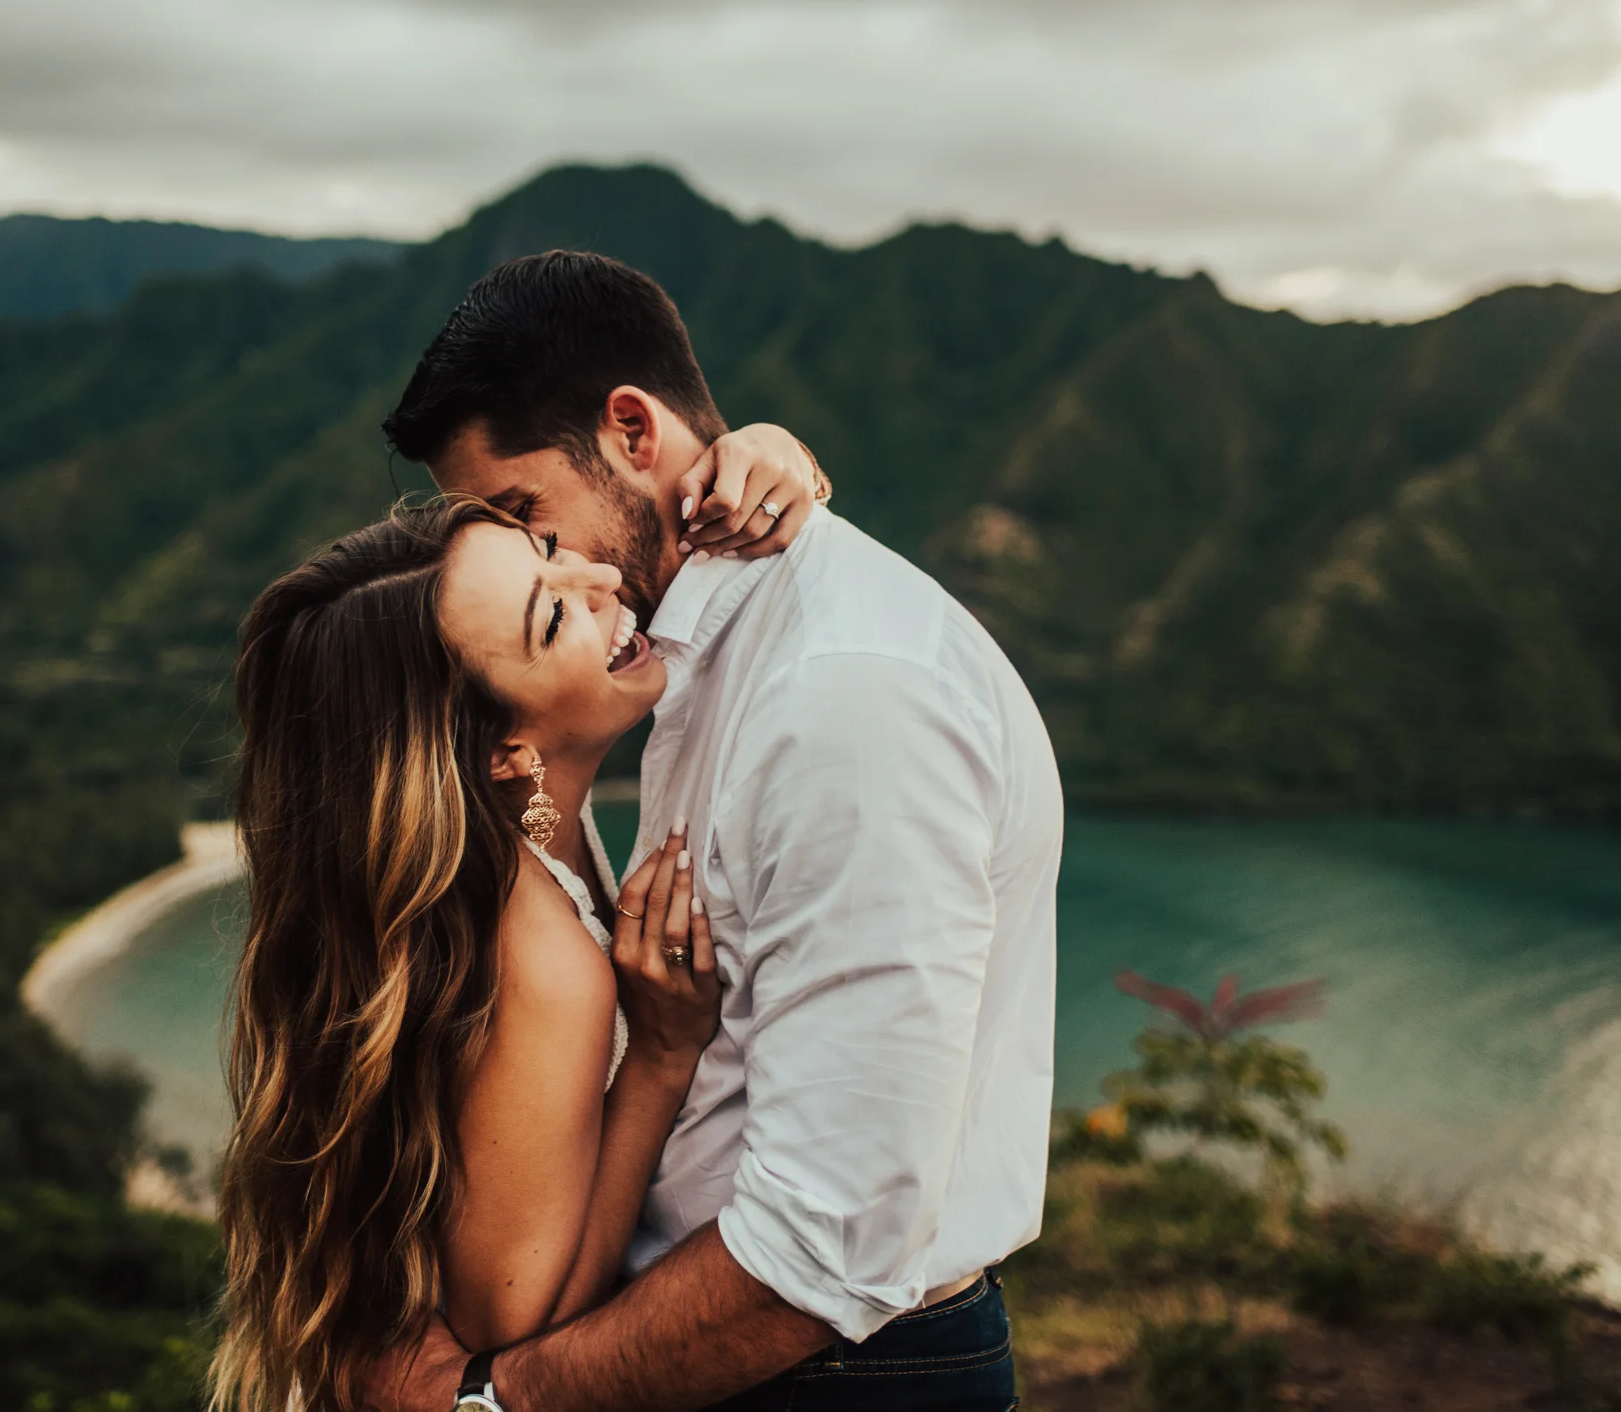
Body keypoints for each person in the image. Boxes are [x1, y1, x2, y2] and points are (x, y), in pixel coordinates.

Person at [365, 251, 1065, 1412]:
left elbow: (830, 1249)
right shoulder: (682, 650)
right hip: (696, 1341)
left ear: (632, 430)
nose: (565, 568)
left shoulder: (847, 699)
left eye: (531, 520)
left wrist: (486, 1404)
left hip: (810, 1369)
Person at [212, 449, 825, 1409]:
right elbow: (514, 1327)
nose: (603, 578)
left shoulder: (514, 838)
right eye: (552, 616)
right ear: (503, 753)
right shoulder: (537, 953)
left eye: (547, 549)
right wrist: (662, 1059)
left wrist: (769, 452)